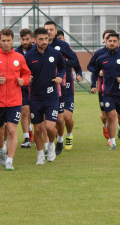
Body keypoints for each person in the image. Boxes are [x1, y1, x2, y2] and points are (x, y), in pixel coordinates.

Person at [0, 28, 32, 171]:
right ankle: (2, 151)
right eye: (3, 41)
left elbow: (27, 74)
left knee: (12, 130)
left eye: (9, 40)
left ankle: (10, 160)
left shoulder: (19, 57)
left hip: (15, 101)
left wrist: (24, 81)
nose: (6, 43)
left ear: (13, 40)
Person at [24, 27, 65, 164]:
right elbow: (23, 73)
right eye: (41, 39)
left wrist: (59, 76)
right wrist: (26, 78)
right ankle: (40, 155)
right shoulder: (29, 56)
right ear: (35, 40)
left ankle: (51, 146)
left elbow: (62, 68)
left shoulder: (55, 53)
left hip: (51, 96)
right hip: (35, 97)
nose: (44, 41)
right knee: (38, 129)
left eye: (46, 39)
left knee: (49, 127)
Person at [44, 21, 82, 153]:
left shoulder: (63, 45)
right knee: (47, 120)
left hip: (65, 87)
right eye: (46, 29)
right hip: (46, 88)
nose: (48, 32)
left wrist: (62, 62)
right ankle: (50, 144)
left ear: (55, 31)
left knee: (64, 118)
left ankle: (66, 136)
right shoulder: (39, 46)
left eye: (51, 29)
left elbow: (75, 61)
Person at [91, 32, 120, 151]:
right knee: (112, 116)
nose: (112, 43)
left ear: (118, 43)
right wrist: (93, 85)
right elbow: (94, 72)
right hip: (107, 93)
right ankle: (112, 142)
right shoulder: (101, 58)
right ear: (106, 42)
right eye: (110, 41)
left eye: (114, 41)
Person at [88, 29, 116, 144]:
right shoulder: (99, 53)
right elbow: (90, 66)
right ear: (104, 40)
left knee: (113, 114)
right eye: (107, 38)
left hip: (117, 88)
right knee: (105, 114)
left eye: (113, 39)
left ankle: (111, 138)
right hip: (103, 88)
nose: (110, 41)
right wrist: (98, 72)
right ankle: (104, 125)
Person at [15, 28, 34, 148]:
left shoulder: (36, 51)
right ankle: (27, 138)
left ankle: (33, 130)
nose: (25, 41)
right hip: (22, 87)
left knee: (34, 113)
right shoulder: (16, 53)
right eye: (23, 39)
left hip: (36, 86)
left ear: (32, 39)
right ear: (20, 39)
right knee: (25, 111)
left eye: (27, 39)